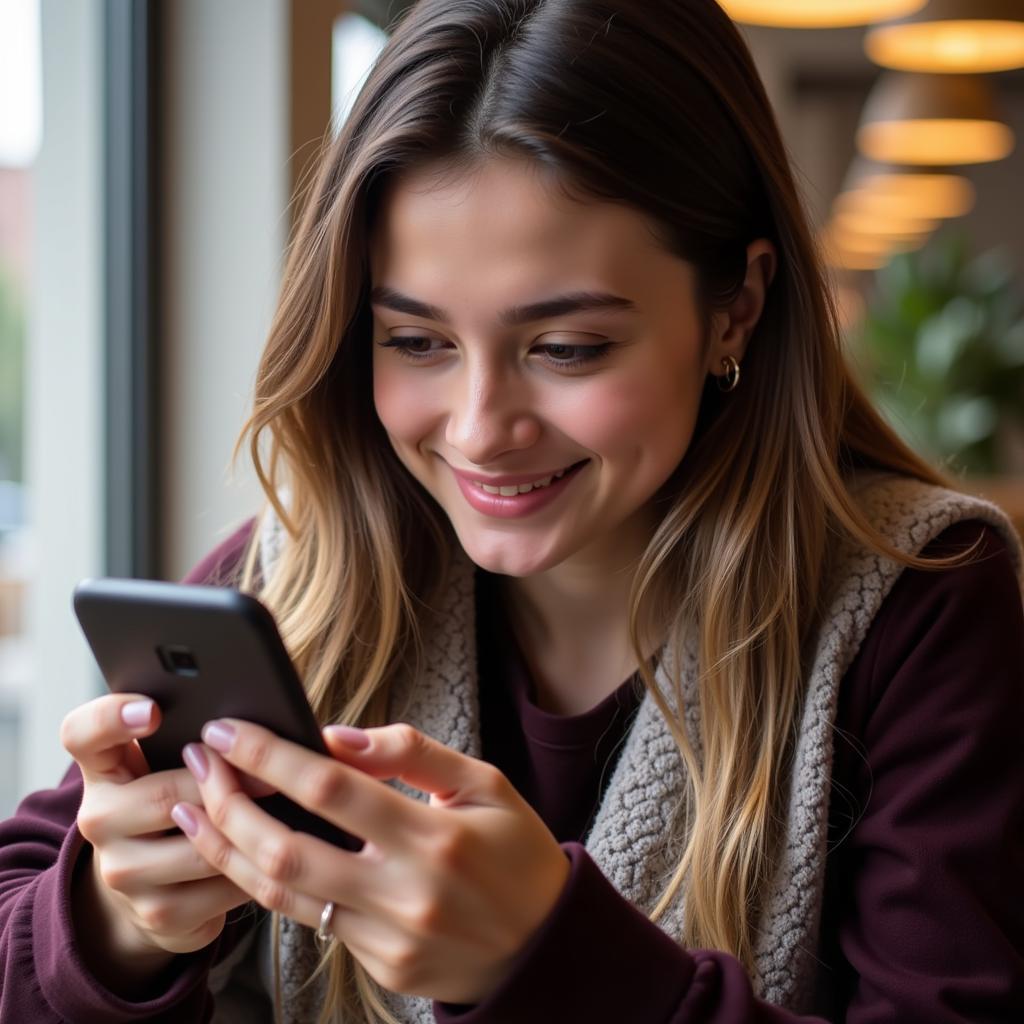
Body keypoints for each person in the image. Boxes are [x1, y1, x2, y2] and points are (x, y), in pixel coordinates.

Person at [2, 0, 1023, 1021]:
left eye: (567, 347)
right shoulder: (297, 578)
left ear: (736, 309)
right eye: (415, 341)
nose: (482, 429)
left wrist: (546, 963)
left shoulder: (917, 602)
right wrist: (109, 919)